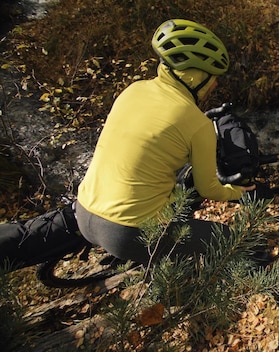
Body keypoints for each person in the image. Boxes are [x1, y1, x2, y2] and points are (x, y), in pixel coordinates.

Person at [75, 19, 255, 265]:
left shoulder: (133, 89)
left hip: (83, 211)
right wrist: (237, 192)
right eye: (211, 76)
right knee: (227, 237)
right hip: (128, 232)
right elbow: (208, 189)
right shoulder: (197, 124)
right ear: (194, 76)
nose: (215, 84)